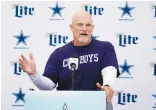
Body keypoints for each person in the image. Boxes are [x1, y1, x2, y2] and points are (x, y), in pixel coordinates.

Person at [19, 9, 119, 110]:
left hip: (98, 105)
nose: (84, 29)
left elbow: (109, 69)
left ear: (92, 28)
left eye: (88, 25)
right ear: (71, 27)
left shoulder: (105, 47)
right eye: (80, 25)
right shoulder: (59, 54)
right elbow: (48, 86)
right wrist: (34, 73)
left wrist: (107, 85)